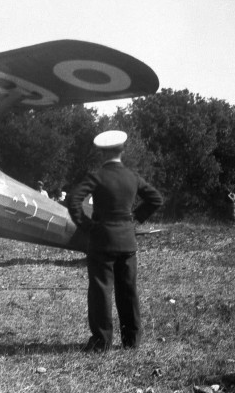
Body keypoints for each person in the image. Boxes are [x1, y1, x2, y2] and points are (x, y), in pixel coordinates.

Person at [68, 130, 163, 352]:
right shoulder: (133, 177)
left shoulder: (97, 176)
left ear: (102, 152)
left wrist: (87, 225)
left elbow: (73, 200)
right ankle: (131, 341)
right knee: (128, 291)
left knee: (101, 291)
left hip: (102, 241)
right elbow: (156, 199)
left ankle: (101, 342)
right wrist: (136, 218)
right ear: (122, 150)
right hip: (127, 242)